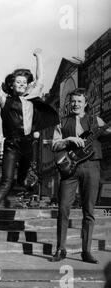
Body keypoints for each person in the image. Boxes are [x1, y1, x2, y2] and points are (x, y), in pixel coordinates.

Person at [0, 45, 59, 232]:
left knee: (24, 179)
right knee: (6, 181)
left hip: (28, 146)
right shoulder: (4, 100)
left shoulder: (33, 97)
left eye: (24, 82)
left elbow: (40, 79)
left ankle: (27, 184)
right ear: (12, 85)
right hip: (11, 145)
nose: (22, 85)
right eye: (18, 82)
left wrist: (38, 56)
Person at [50, 88, 111, 264]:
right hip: (69, 168)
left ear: (85, 103)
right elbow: (54, 145)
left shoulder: (95, 120)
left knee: (89, 211)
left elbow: (107, 134)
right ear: (70, 103)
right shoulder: (61, 122)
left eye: (79, 101)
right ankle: (61, 249)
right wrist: (68, 140)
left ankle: (86, 251)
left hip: (92, 166)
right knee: (63, 209)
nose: (76, 104)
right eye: (73, 101)